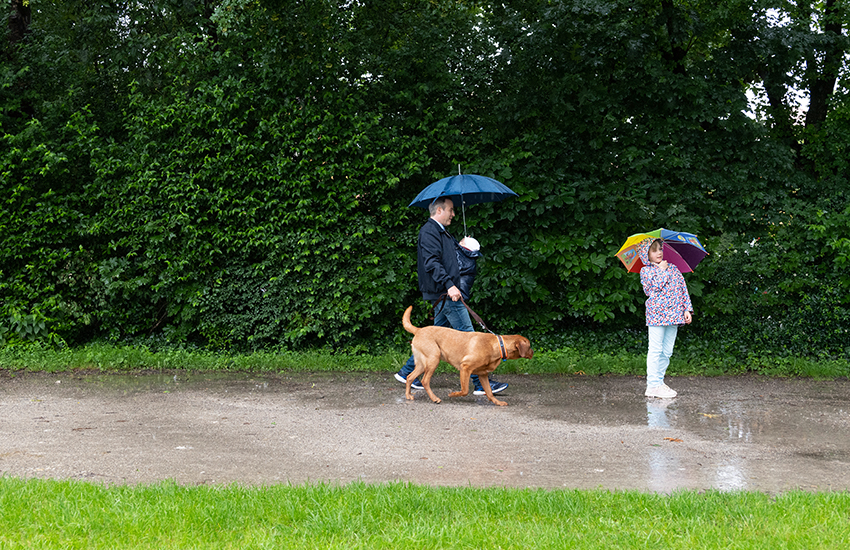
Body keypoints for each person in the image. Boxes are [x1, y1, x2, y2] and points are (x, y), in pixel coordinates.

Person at [394, 197, 508, 396]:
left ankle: (406, 373)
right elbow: (431, 262)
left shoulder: (441, 232)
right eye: (451, 210)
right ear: (439, 210)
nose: (454, 214)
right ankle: (480, 383)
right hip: (445, 293)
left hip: (446, 292)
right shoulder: (429, 231)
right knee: (468, 335)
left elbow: (452, 257)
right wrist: (450, 285)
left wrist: (464, 244)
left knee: (436, 334)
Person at [638, 238, 693, 398]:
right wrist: (661, 270)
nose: (659, 253)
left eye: (660, 249)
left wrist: (687, 309)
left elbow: (682, 288)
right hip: (657, 316)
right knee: (655, 350)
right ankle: (652, 385)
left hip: (675, 315)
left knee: (667, 351)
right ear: (646, 254)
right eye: (654, 250)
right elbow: (652, 289)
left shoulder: (674, 268)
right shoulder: (646, 271)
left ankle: (659, 382)